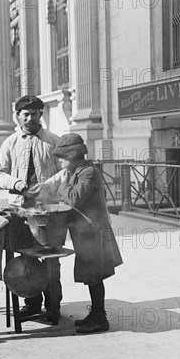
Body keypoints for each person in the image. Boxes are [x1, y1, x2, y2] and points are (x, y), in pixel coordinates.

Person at [28, 133, 123, 333]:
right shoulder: (78, 172)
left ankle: (100, 318)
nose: (59, 161)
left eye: (61, 157)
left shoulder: (88, 172)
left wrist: (64, 183)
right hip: (85, 234)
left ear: (72, 156)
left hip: (94, 234)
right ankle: (96, 314)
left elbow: (72, 198)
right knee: (90, 276)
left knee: (95, 276)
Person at [0, 95, 62, 321]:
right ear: (18, 116)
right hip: (20, 212)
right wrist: (15, 183)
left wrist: (47, 185)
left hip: (47, 211)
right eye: (26, 114)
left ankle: (53, 306)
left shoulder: (53, 141)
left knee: (51, 258)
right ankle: (32, 303)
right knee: (25, 257)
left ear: (41, 115)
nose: (30, 118)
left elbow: (66, 171)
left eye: (34, 114)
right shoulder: (10, 143)